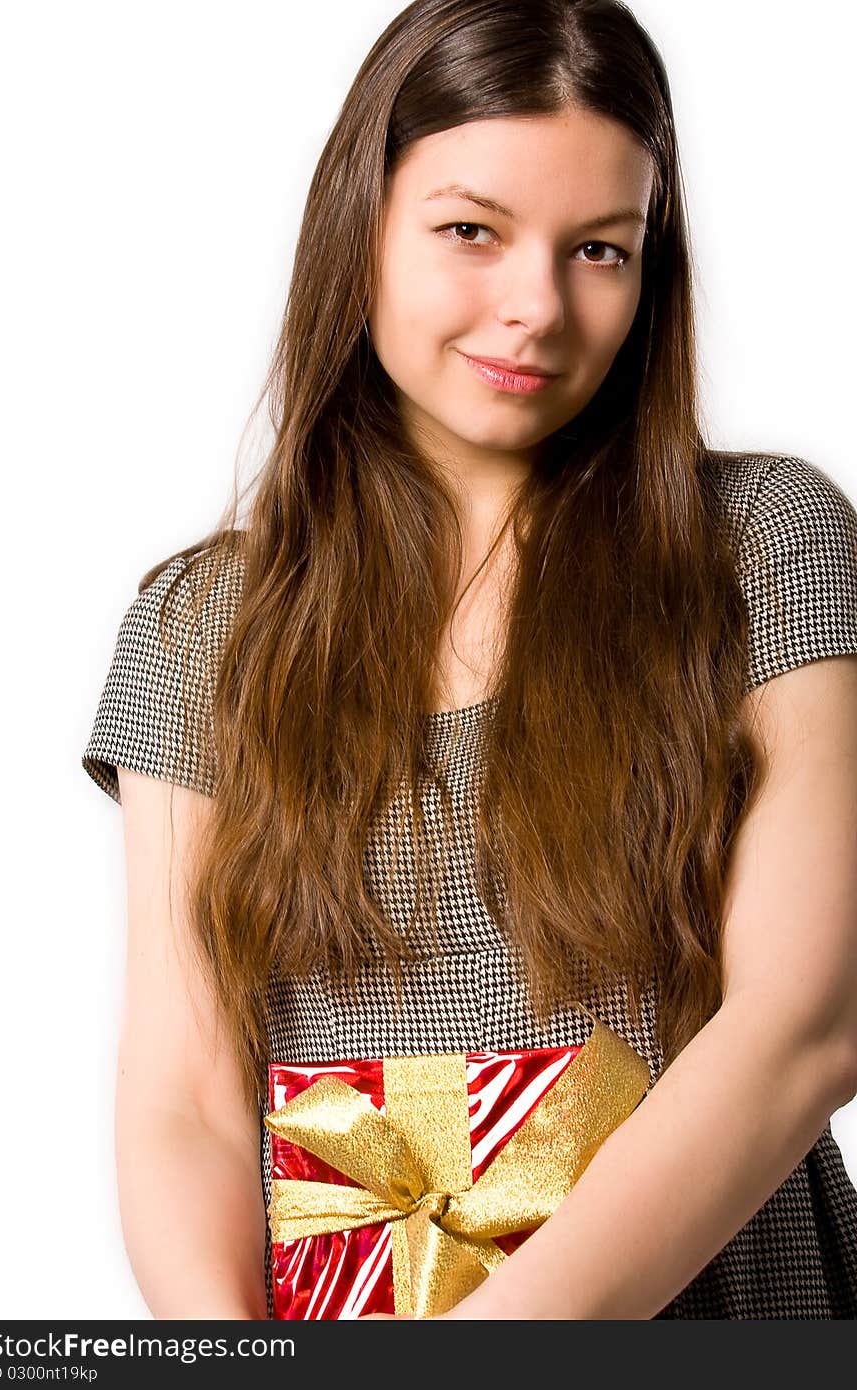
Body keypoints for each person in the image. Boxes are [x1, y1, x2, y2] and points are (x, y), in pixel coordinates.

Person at [82, 0, 857, 1320]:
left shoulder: (767, 542)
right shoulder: (196, 625)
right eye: (470, 231)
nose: (537, 307)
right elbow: (185, 1095)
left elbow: (805, 1021)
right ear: (361, 227)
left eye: (600, 250)